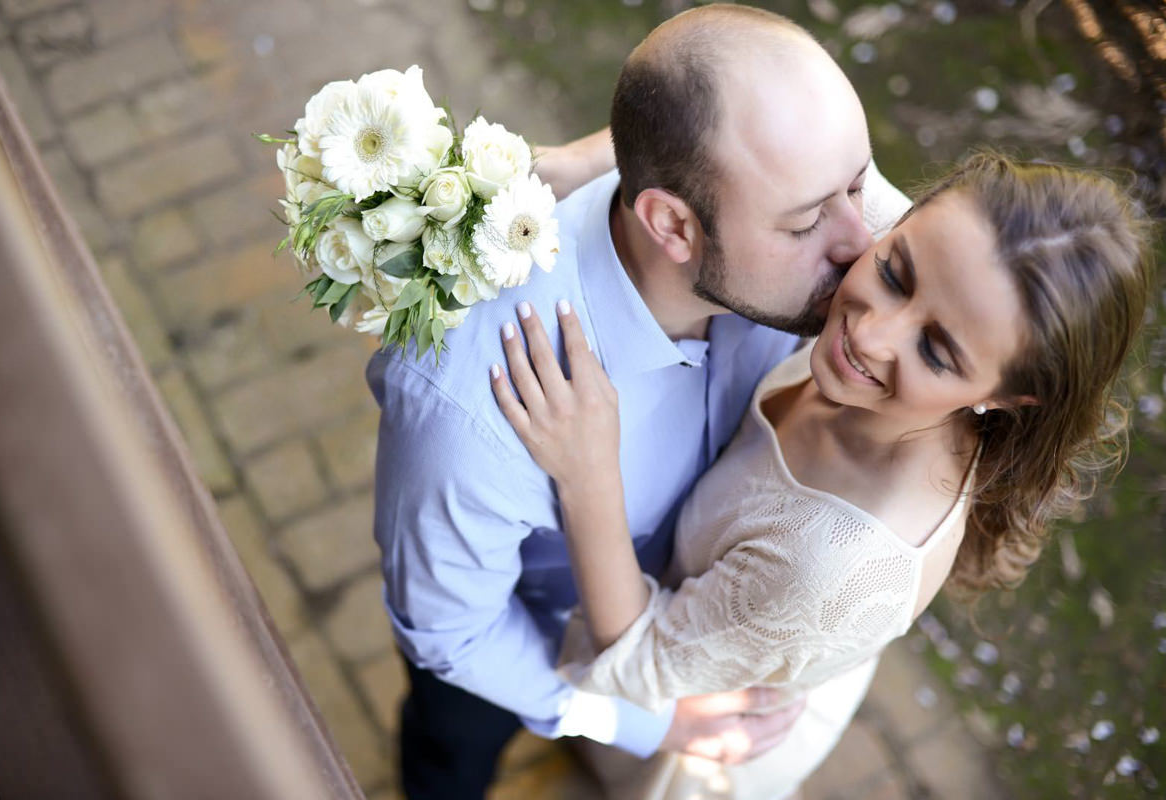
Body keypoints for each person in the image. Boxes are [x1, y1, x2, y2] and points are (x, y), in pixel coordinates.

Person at [367, 5, 912, 798]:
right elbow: (455, 632)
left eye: (858, 185)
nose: (861, 244)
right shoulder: (466, 405)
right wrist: (642, 723)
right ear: (673, 225)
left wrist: (600, 152)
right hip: (524, 643)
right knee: (451, 757)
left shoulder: (805, 211)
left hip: (663, 611)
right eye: (803, 226)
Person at [490, 151, 1152, 798]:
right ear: (904, 220)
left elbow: (639, 663)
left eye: (936, 352)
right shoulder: (946, 254)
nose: (871, 335)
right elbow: (742, 125)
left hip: (705, 716)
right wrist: (578, 164)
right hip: (755, 627)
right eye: (894, 272)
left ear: (1007, 398)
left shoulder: (830, 564)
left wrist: (587, 474)